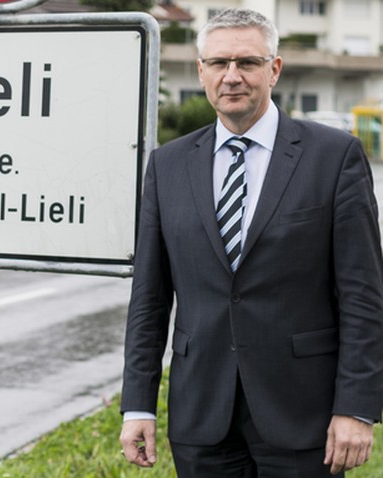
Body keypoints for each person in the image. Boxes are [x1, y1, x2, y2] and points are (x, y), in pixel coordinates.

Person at [119, 7, 383, 477]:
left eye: (248, 62)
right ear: (201, 71)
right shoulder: (168, 166)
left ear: (274, 68)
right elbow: (149, 299)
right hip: (201, 416)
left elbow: (364, 296)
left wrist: (357, 407)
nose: (232, 76)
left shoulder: (334, 157)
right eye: (219, 63)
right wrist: (137, 405)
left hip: (305, 416)